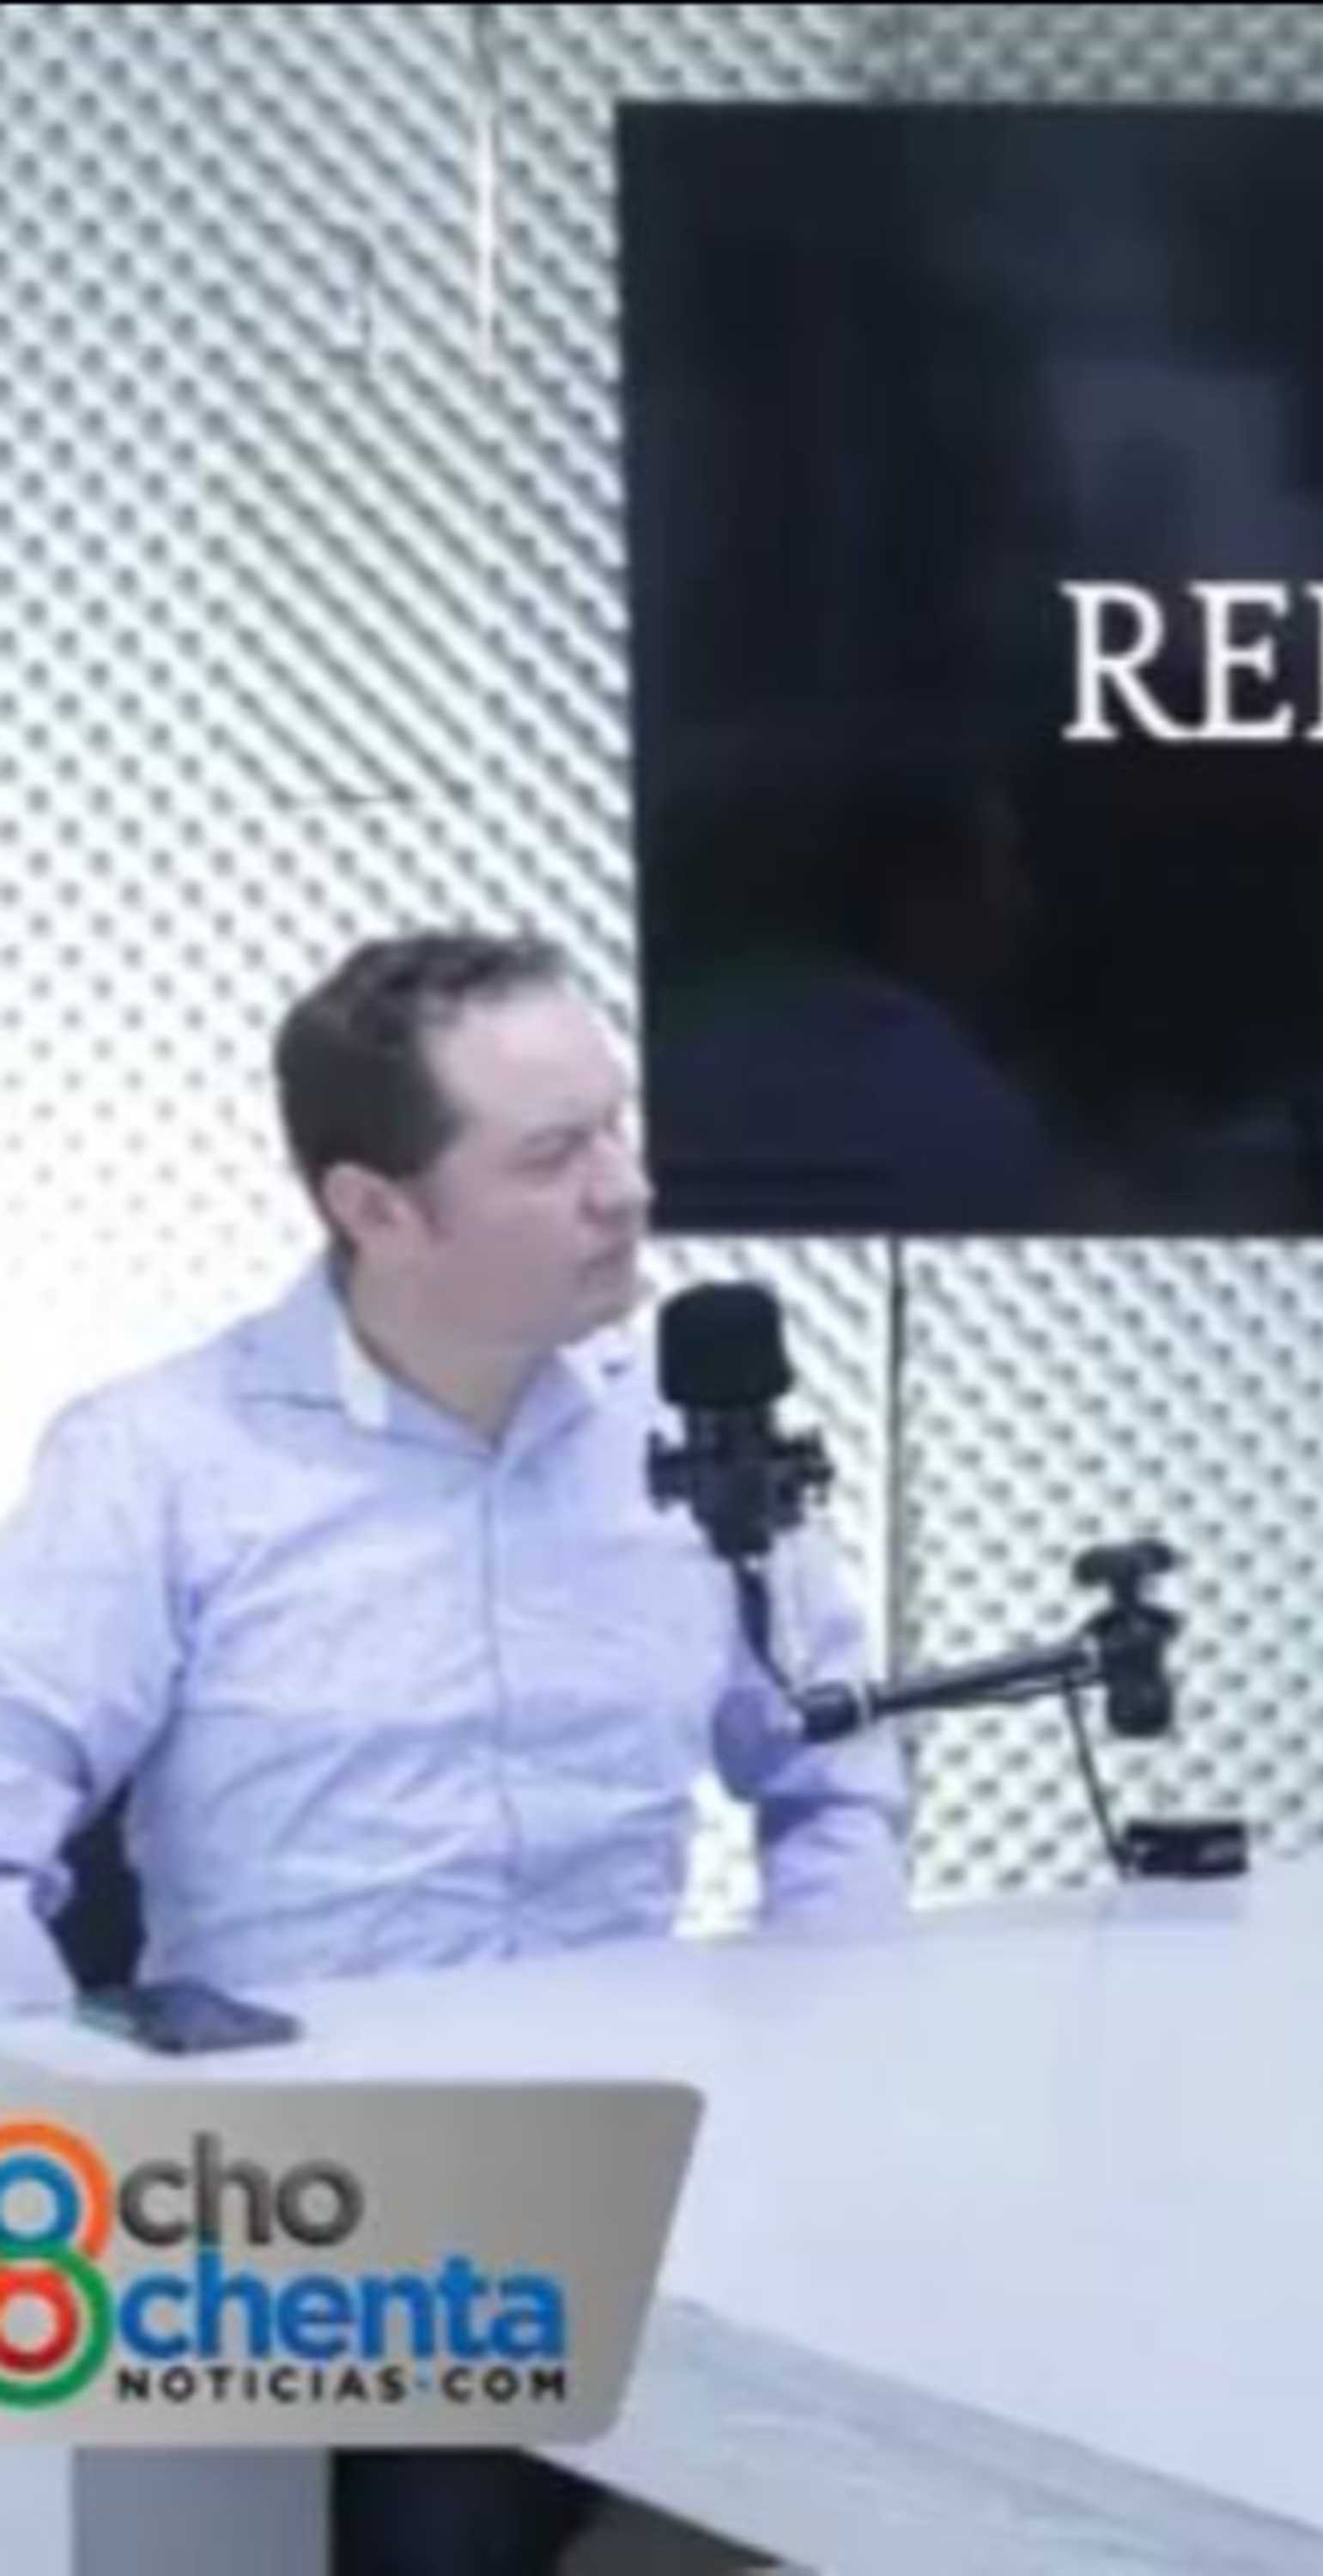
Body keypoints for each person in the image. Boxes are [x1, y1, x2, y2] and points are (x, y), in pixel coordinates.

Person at [0, 931, 909, 2573]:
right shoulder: (160, 1464)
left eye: (618, 1128)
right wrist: (92, 2149)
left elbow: (833, 1767)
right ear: (376, 1208)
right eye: (552, 1158)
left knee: (931, 2433)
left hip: (658, 2169)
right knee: (458, 2498)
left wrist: (813, 2040)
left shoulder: (693, 1447)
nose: (625, 1191)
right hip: (307, 2214)